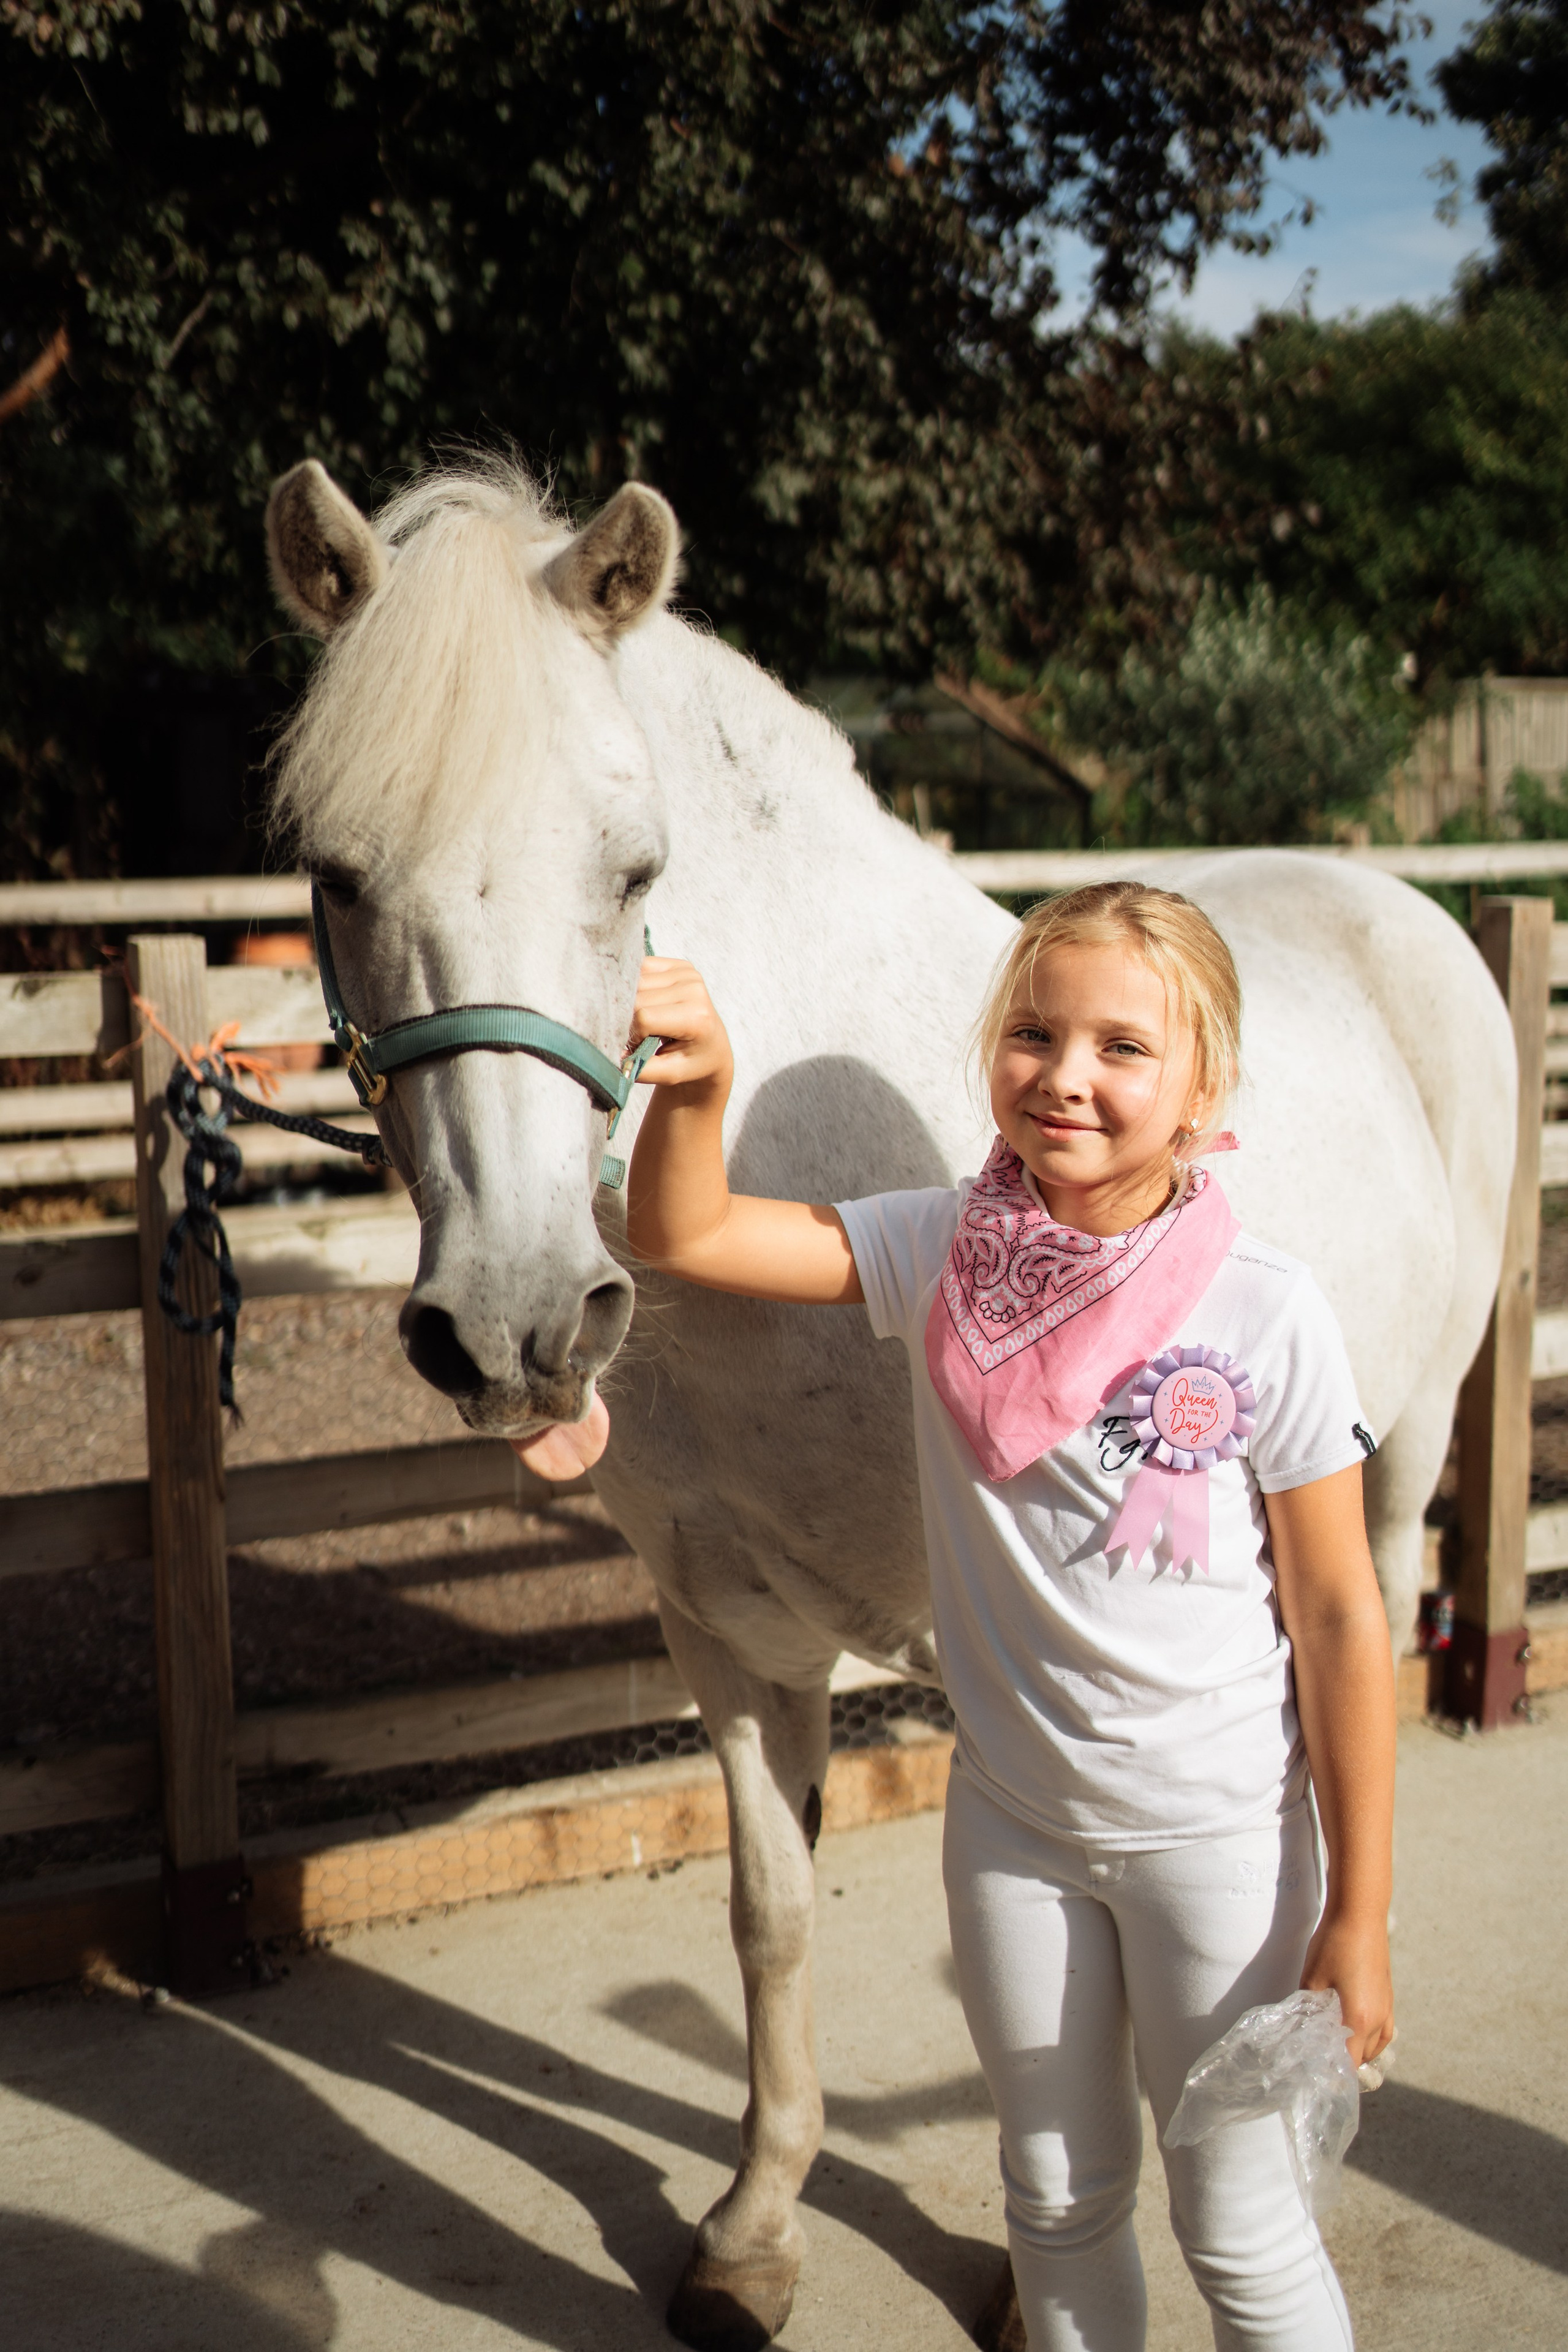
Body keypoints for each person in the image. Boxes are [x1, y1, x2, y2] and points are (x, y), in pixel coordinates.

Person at [622, 881, 1395, 2352]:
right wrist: (703, 1083)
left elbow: (1343, 1619)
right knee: (1050, 2198)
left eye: (1121, 1047)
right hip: (1013, 1833)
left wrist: (1355, 1909)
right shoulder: (934, 1252)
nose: (1066, 1076)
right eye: (1032, 1033)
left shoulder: (1265, 1310)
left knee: (1238, 2230)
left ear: (1202, 1086)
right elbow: (687, 1231)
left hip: (1217, 1844)